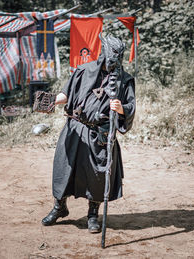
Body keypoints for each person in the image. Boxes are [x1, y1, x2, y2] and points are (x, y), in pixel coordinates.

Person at [41, 34, 136, 233]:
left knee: (98, 176)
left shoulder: (124, 80)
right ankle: (60, 207)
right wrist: (50, 101)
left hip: (100, 135)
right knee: (64, 170)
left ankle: (93, 215)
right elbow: (66, 95)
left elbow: (131, 106)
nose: (113, 61)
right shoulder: (83, 71)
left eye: (117, 57)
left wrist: (120, 108)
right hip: (75, 130)